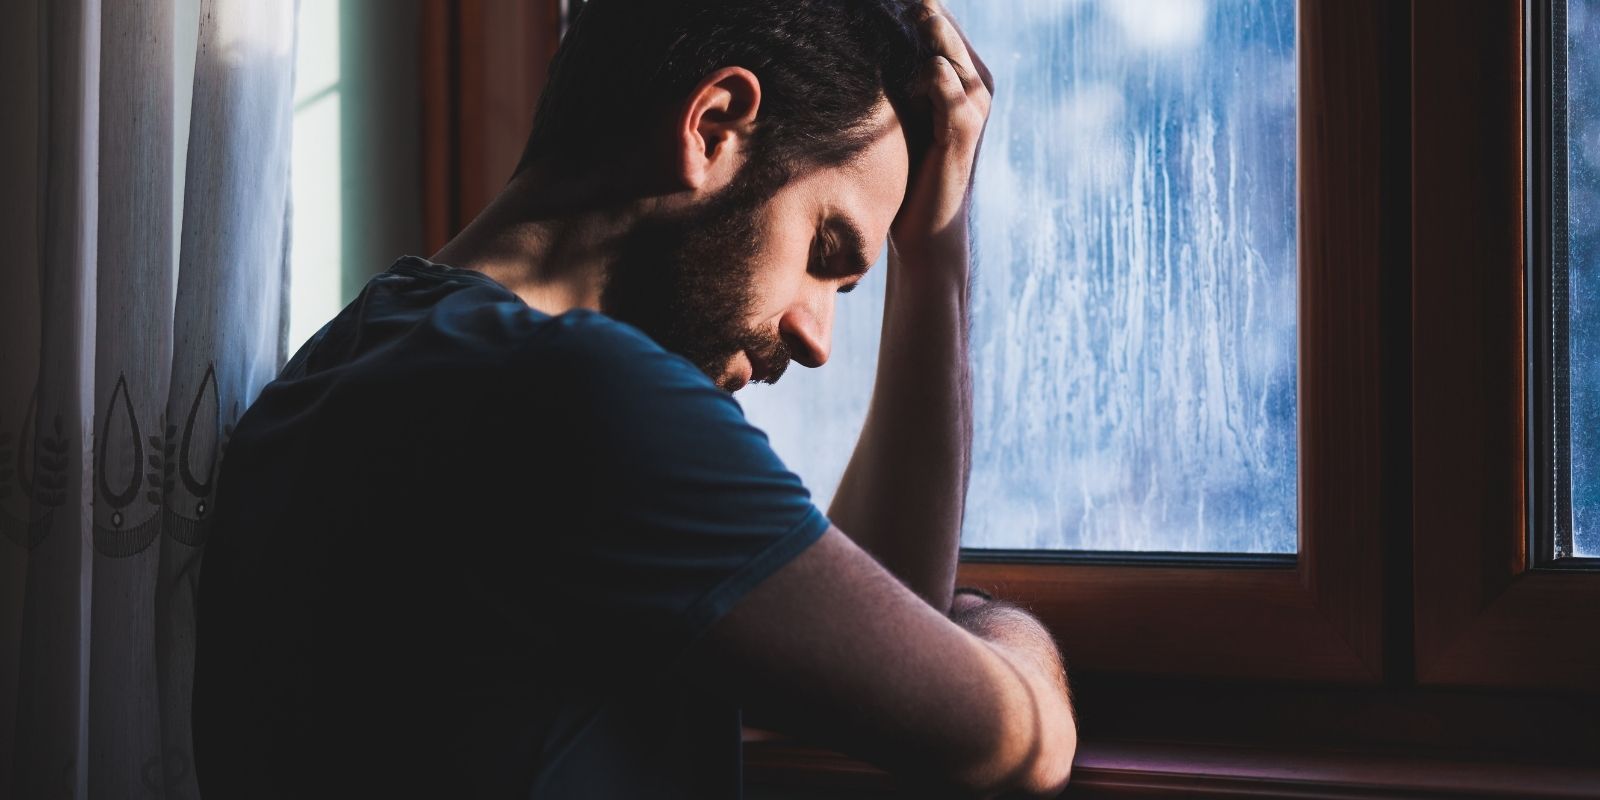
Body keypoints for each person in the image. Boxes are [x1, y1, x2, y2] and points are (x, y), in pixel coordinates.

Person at [191, 0, 1077, 797]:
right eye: (826, 249)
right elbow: (1011, 745)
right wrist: (995, 625)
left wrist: (930, 256)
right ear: (715, 125)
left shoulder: (342, 365)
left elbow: (875, 652)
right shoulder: (587, 398)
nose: (815, 340)